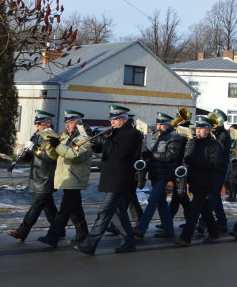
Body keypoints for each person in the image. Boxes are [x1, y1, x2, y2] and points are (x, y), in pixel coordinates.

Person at [75, 104, 141, 255]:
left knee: (104, 213)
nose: (112, 122)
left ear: (124, 119)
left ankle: (90, 244)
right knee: (118, 214)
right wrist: (92, 139)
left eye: (115, 120)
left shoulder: (133, 134)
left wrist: (105, 141)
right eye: (111, 120)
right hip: (110, 178)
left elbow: (122, 153)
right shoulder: (113, 133)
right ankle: (129, 242)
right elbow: (101, 149)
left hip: (120, 179)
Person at [36, 110, 91, 247]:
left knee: (65, 209)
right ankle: (82, 233)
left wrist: (58, 145)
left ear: (78, 123)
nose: (67, 125)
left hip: (75, 177)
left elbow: (74, 154)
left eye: (71, 122)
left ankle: (53, 236)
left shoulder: (83, 137)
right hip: (66, 176)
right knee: (74, 208)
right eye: (66, 122)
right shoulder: (64, 136)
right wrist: (49, 146)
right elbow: (56, 156)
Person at [7, 110, 61, 242]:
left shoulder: (50, 136)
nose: (37, 126)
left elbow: (50, 158)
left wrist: (35, 149)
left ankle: (22, 231)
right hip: (38, 175)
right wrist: (24, 153)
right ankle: (59, 229)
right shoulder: (37, 135)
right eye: (36, 124)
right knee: (48, 206)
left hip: (46, 176)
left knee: (36, 206)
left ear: (48, 123)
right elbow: (31, 158)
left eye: (40, 123)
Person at [174, 116, 223, 247]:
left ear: (208, 129)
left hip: (206, 182)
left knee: (194, 209)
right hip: (195, 180)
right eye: (197, 128)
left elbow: (214, 164)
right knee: (204, 208)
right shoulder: (194, 142)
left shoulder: (215, 145)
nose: (198, 131)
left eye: (202, 128)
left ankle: (186, 238)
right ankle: (214, 232)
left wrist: (194, 161)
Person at [133, 112, 183, 239]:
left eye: (161, 124)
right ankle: (168, 229)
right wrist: (147, 157)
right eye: (158, 124)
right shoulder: (160, 136)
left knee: (152, 200)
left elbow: (170, 156)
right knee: (161, 202)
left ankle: (141, 228)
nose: (158, 126)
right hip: (156, 173)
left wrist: (152, 155)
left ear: (167, 124)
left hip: (165, 174)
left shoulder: (174, 136)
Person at [203, 108, 230, 233]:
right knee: (215, 196)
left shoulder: (224, 134)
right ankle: (222, 221)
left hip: (220, 168)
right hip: (212, 168)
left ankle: (202, 222)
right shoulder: (214, 133)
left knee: (212, 195)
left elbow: (217, 149)